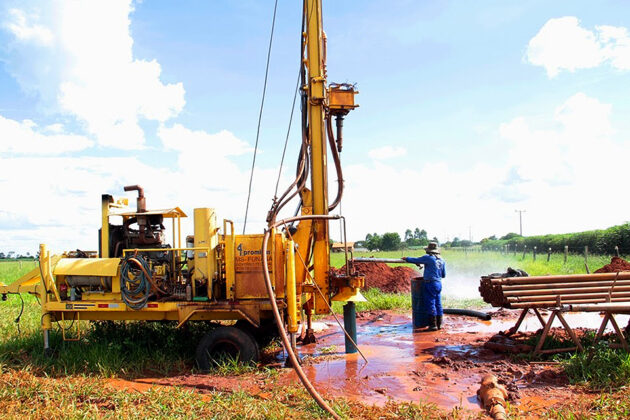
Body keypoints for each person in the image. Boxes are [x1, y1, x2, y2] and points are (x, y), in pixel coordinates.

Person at [402, 242, 446, 331]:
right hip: (438, 283)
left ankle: (433, 325)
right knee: (438, 303)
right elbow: (443, 275)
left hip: (430, 283)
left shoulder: (428, 258)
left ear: (428, 251)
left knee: (431, 303)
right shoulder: (442, 260)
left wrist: (406, 258)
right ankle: (439, 324)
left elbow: (415, 260)